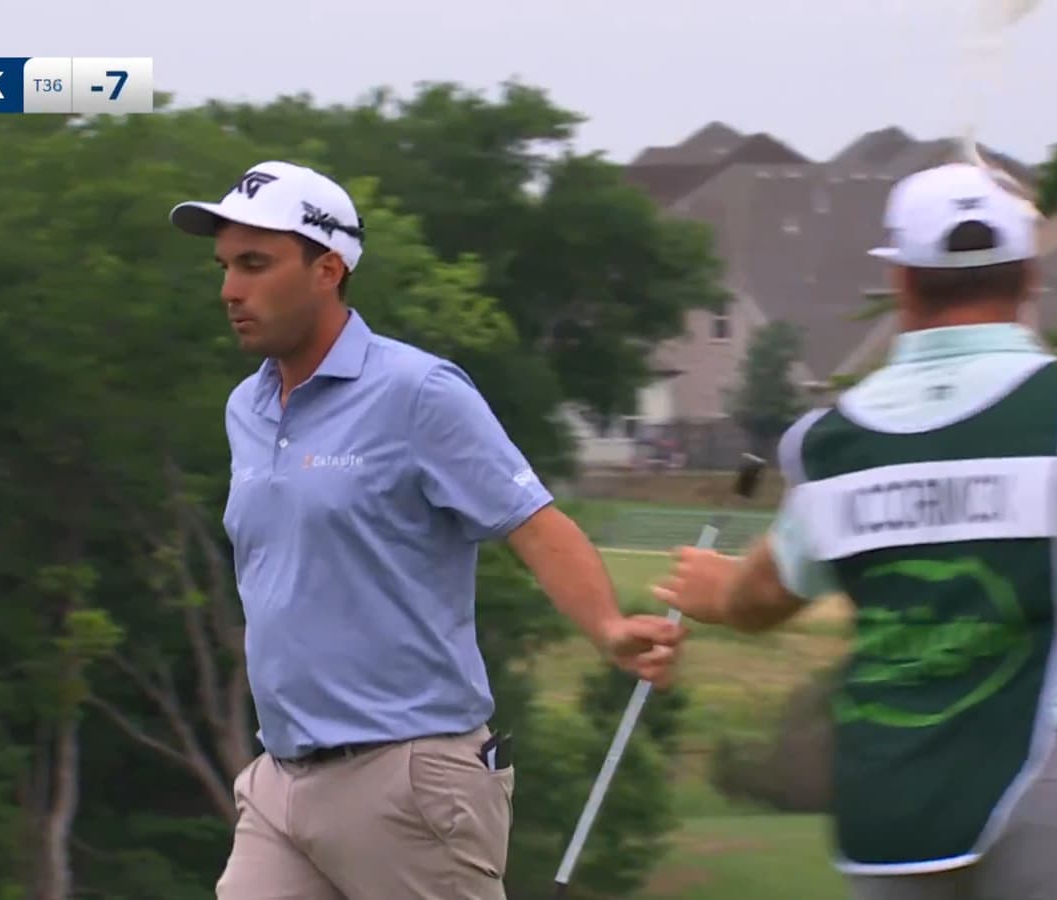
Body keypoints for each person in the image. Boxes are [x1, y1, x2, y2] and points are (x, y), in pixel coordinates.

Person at [168, 160, 687, 900]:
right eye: (224, 266)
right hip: (281, 782)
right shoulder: (243, 409)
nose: (229, 290)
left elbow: (534, 522)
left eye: (255, 264)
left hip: (410, 782)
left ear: (328, 269)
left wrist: (608, 628)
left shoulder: (418, 391)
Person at [652, 161, 1057, 900]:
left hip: (892, 800)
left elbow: (761, 600)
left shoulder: (833, 441)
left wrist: (717, 591)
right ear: (1030, 279)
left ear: (900, 282)